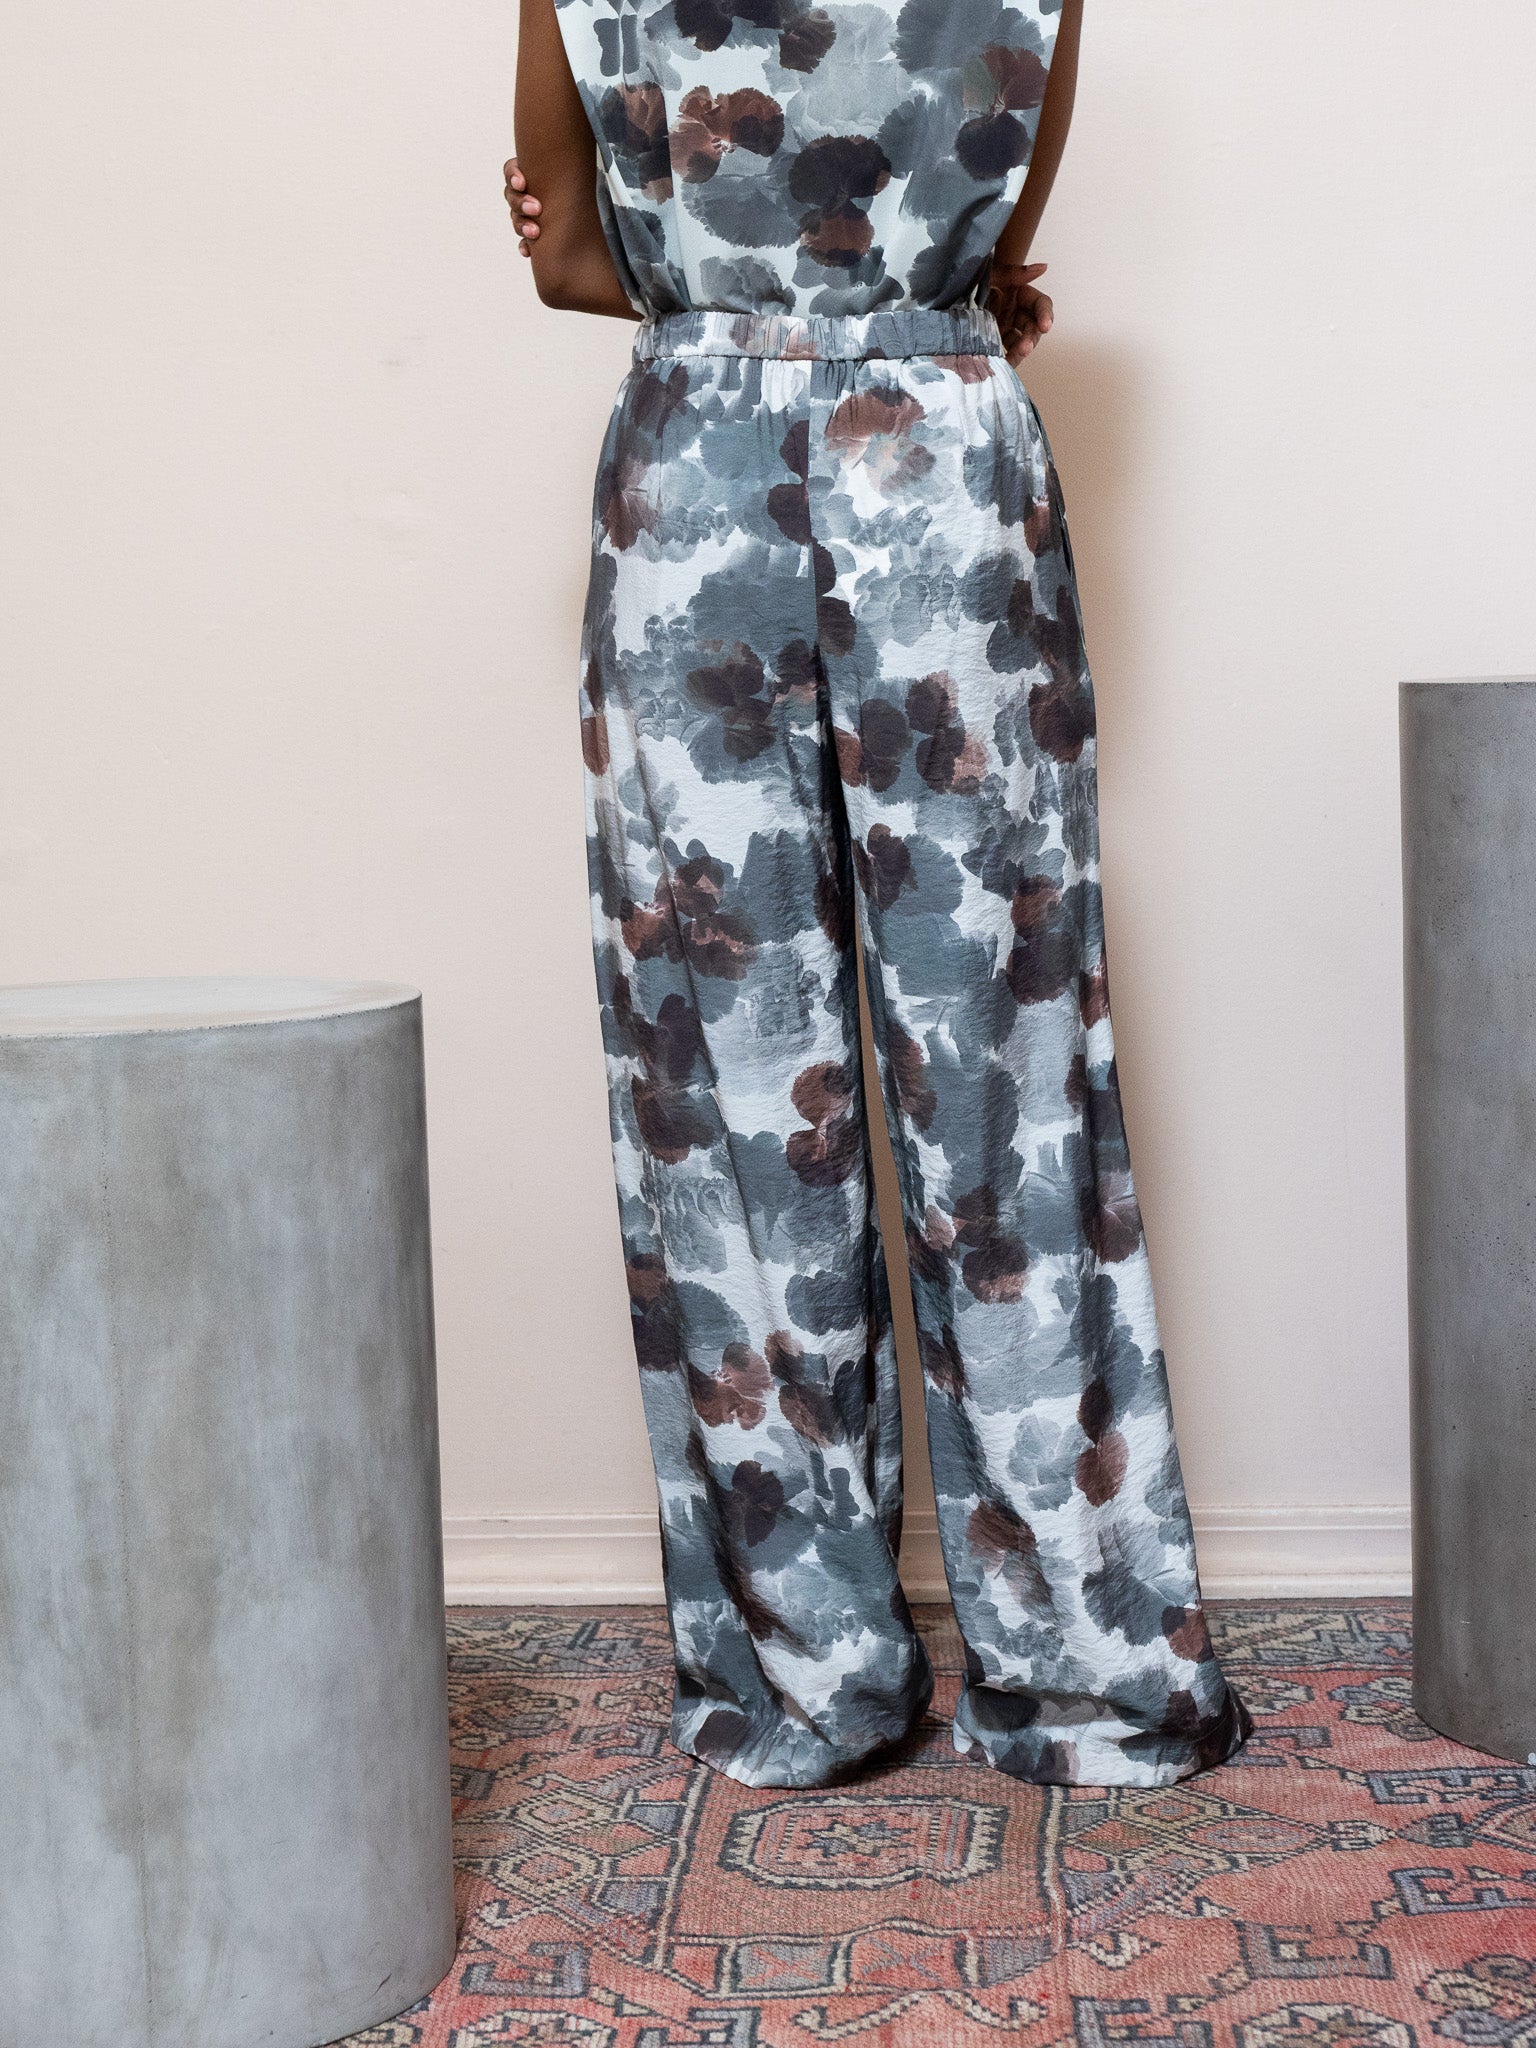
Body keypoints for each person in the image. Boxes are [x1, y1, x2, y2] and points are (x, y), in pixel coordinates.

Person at [507, 0, 1250, 1791]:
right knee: (1005, 1074)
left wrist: (704, 269)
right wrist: (919, 298)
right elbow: (995, 257)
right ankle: (1087, 1672)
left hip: (693, 478)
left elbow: (569, 257)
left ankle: (808, 1676)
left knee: (730, 1082)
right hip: (942, 458)